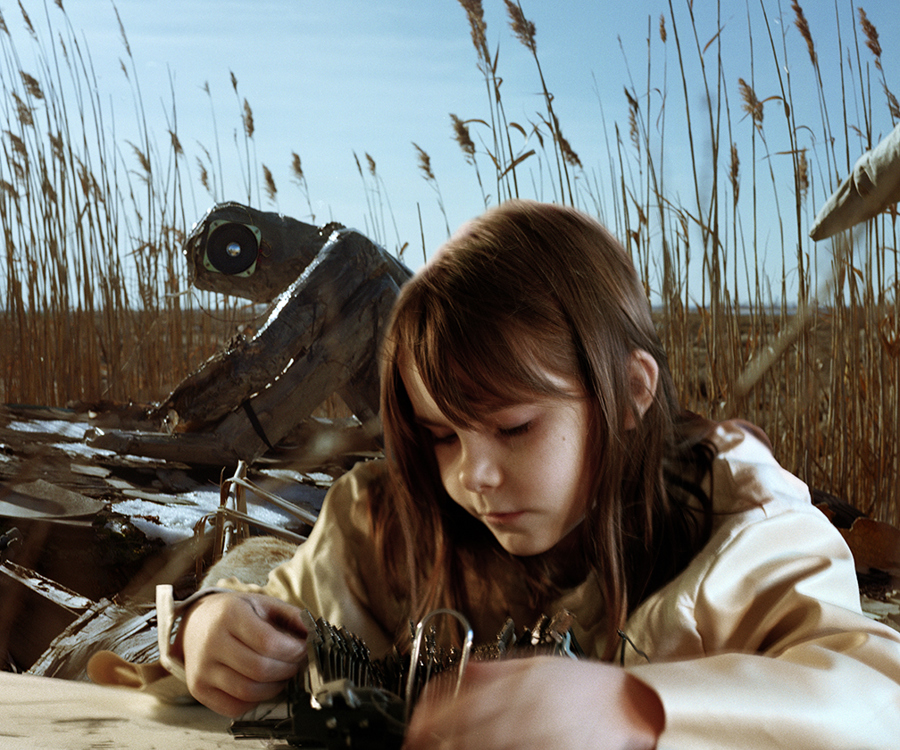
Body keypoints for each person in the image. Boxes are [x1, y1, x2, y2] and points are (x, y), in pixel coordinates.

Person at [165, 200, 900, 749]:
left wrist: (638, 708)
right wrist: (208, 630)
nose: (474, 474)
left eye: (515, 428)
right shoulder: (391, 519)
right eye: (441, 435)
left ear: (633, 390)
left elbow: (874, 697)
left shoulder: (739, 523)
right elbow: (272, 606)